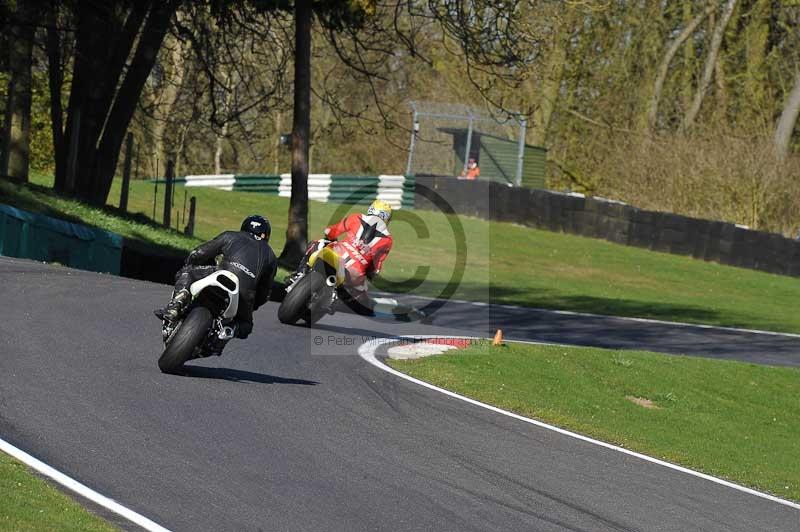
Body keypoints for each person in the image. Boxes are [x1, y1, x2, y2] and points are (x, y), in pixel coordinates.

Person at [155, 215, 277, 355]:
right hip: (244, 294)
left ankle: (175, 306)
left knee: (188, 273)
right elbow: (264, 292)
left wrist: (189, 263)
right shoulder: (271, 257)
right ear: (266, 235)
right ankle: (227, 332)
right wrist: (252, 306)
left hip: (222, 274)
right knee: (246, 326)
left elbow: (198, 253)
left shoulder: (231, 235)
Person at [289, 199, 393, 314]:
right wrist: (369, 273)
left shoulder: (356, 217)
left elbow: (330, 231)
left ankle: (299, 273)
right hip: (355, 273)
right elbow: (375, 268)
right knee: (361, 295)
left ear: (371, 209)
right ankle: (336, 297)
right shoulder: (387, 240)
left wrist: (330, 238)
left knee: (317, 243)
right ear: (387, 218)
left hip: (338, 254)